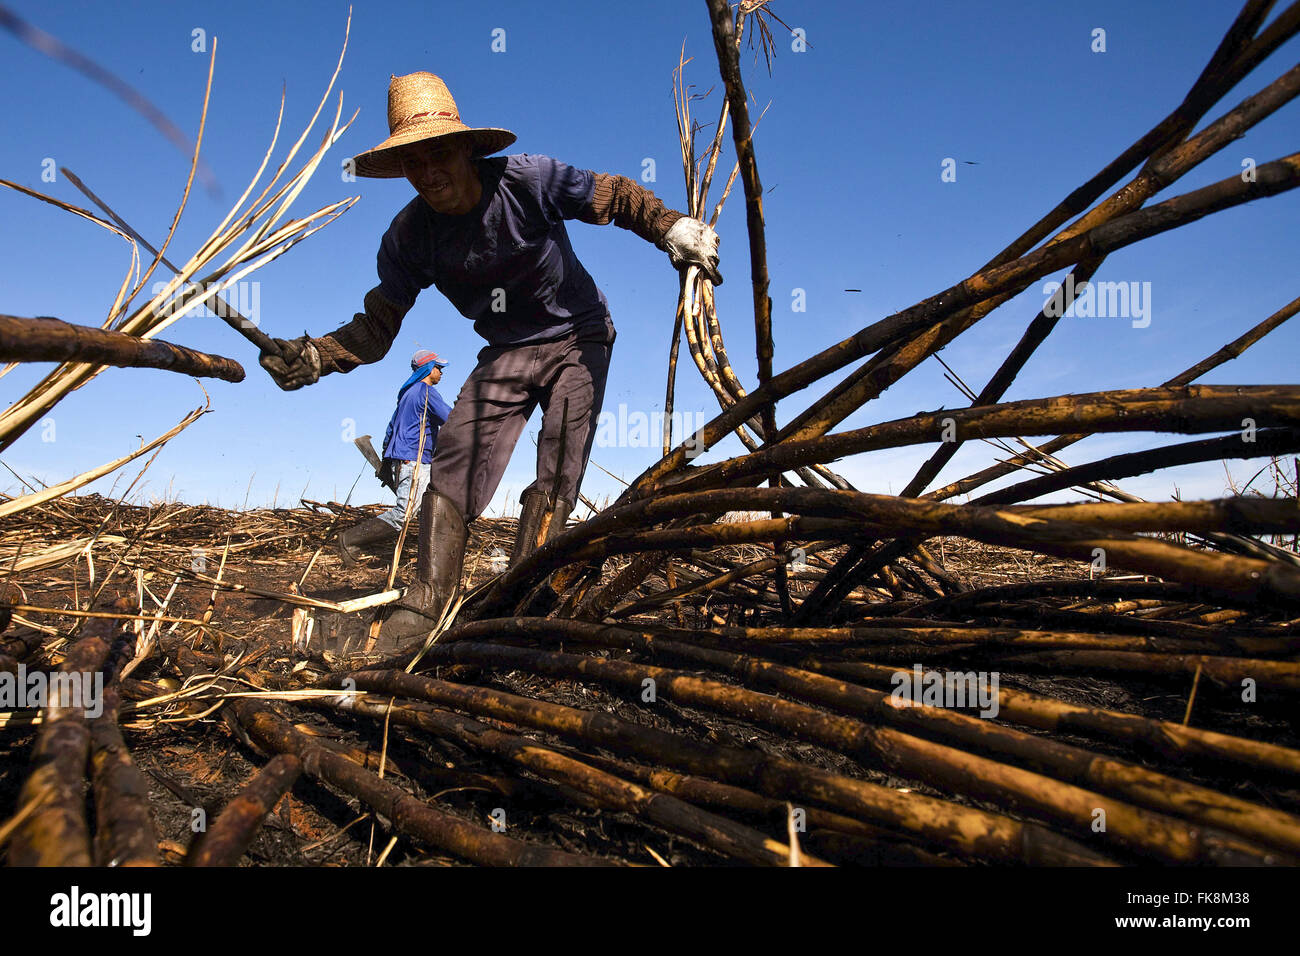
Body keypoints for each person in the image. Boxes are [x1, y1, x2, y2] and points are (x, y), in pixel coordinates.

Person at [259, 71, 722, 642]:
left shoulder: (529, 181)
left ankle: (522, 603)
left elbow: (613, 194)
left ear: (467, 149)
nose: (428, 173)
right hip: (506, 350)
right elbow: (378, 326)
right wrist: (315, 356)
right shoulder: (409, 237)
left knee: (557, 464)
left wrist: (670, 225)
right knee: (454, 458)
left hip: (579, 335)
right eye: (412, 162)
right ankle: (427, 600)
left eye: (440, 154)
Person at [335, 349, 451, 567]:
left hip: (403, 460)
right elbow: (450, 419)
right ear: (428, 369)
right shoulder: (426, 392)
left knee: (429, 508)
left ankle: (431, 561)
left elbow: (391, 431)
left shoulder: (406, 394)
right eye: (438, 367)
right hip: (415, 461)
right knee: (403, 514)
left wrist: (388, 465)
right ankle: (349, 539)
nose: (441, 372)